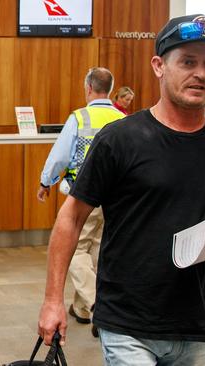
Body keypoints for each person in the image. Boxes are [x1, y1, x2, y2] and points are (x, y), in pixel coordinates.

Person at [38, 14, 205, 365]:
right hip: (127, 324)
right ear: (159, 66)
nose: (200, 73)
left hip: (195, 323)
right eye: (188, 62)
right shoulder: (120, 139)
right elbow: (71, 218)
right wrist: (52, 300)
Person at [37, 67, 124, 337]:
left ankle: (96, 304)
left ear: (88, 87)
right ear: (109, 89)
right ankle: (82, 309)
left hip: (85, 195)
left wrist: (46, 181)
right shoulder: (123, 117)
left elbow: (61, 155)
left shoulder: (80, 116)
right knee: (96, 250)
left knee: (75, 250)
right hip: (116, 197)